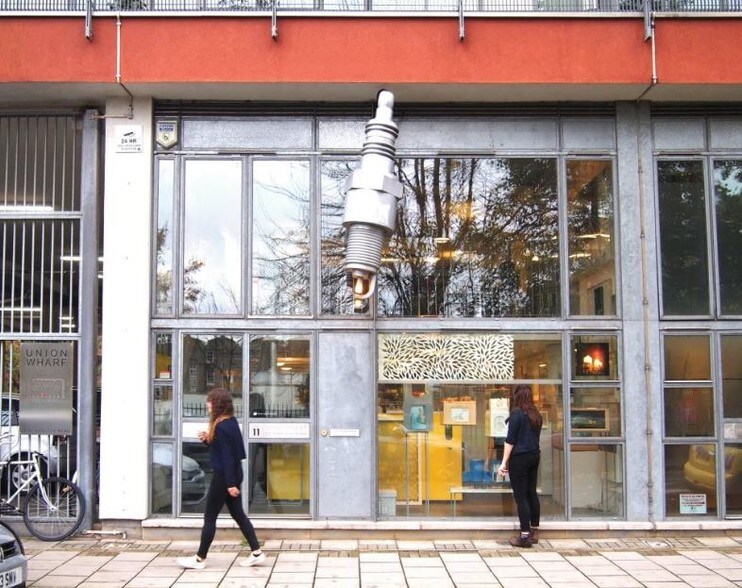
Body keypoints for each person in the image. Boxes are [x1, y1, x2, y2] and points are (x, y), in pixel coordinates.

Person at [177, 388, 267, 570]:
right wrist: (208, 440)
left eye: (210, 401)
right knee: (238, 515)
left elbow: (227, 457)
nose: (207, 405)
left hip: (224, 477)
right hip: (233, 473)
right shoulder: (230, 422)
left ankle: (199, 559)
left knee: (210, 517)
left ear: (217, 404)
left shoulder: (221, 426)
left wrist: (230, 484)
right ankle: (257, 553)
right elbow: (226, 450)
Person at [497, 385, 543, 548]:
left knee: (521, 496)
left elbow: (510, 441)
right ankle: (534, 532)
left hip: (520, 458)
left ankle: (524, 537)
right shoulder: (536, 415)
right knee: (531, 493)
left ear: (516, 397)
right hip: (534, 456)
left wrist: (504, 462)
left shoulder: (517, 415)